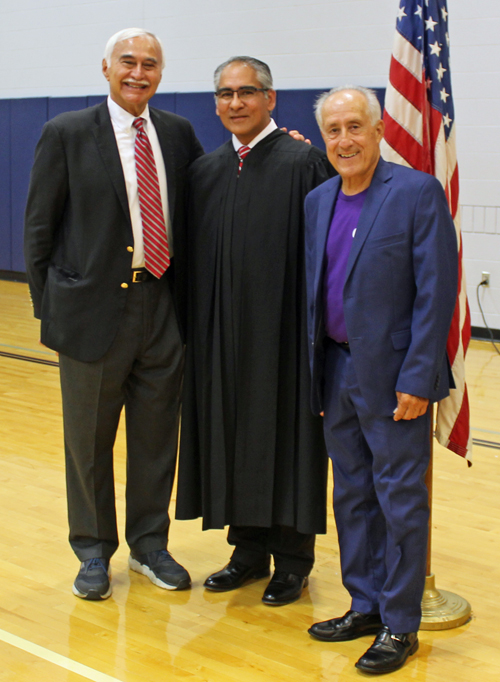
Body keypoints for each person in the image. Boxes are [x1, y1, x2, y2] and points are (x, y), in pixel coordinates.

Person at [24, 28, 203, 600]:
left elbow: (213, 194)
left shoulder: (177, 134)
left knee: (156, 439)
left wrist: (280, 148)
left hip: (162, 307)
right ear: (105, 68)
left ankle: (150, 545)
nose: (139, 72)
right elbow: (38, 231)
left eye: (150, 64)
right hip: (92, 315)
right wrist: (54, 309)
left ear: (160, 74)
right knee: (88, 443)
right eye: (128, 62)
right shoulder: (67, 133)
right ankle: (93, 552)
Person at [304, 86, 458, 673]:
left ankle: (399, 623)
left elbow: (434, 294)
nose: (344, 140)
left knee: (398, 500)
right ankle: (363, 603)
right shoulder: (318, 200)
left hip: (397, 378)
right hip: (337, 371)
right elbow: (316, 295)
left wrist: (419, 378)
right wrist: (317, 375)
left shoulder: (416, 193)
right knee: (352, 496)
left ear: (376, 132)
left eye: (354, 127)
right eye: (333, 131)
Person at [176, 57, 333, 606]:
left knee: (287, 438)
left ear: (271, 98)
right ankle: (246, 551)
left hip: (286, 338)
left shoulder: (305, 163)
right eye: (224, 94)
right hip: (221, 335)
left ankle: (292, 561)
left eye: (247, 92)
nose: (235, 103)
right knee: (232, 433)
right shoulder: (205, 172)